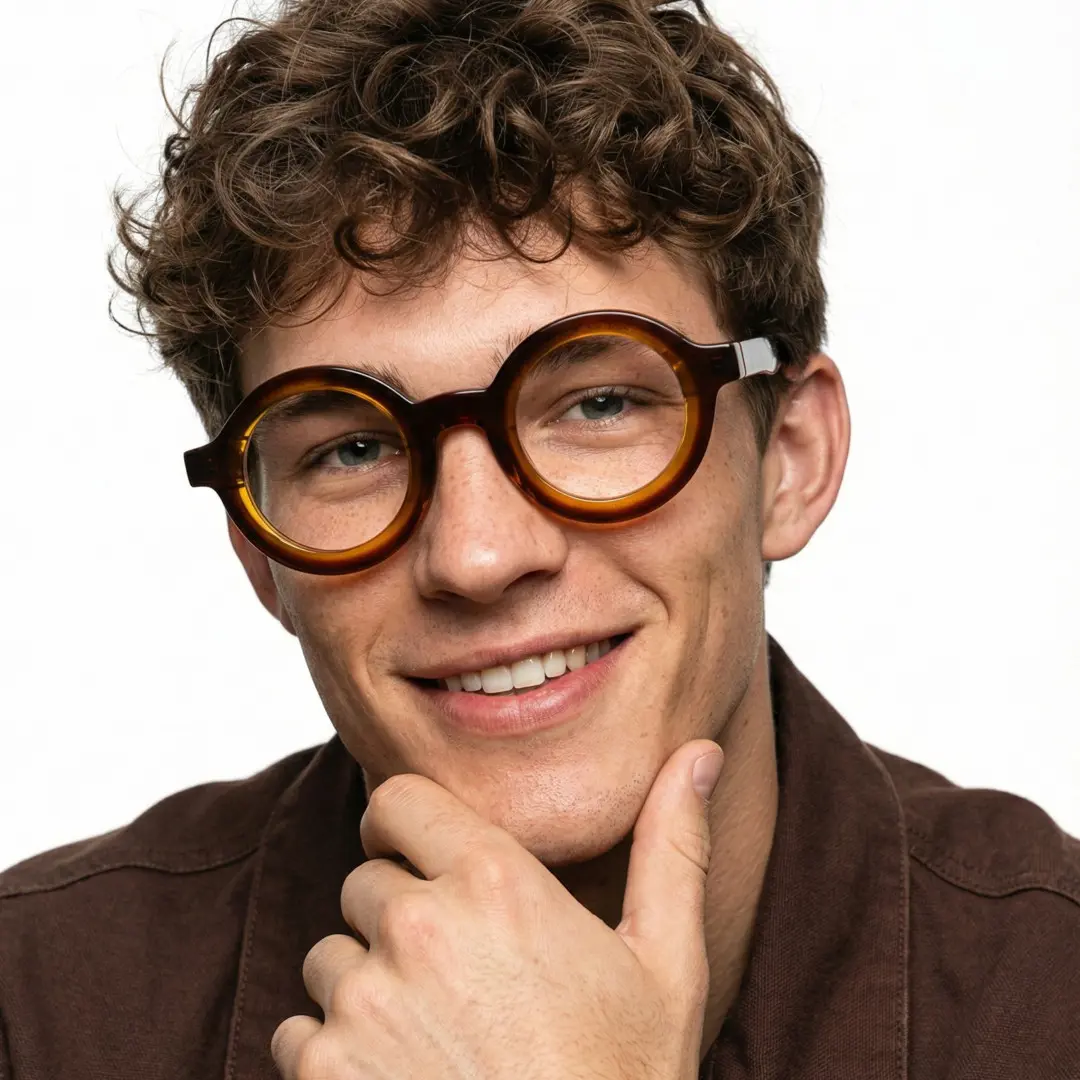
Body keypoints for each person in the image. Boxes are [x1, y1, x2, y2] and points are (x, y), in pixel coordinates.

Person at [1, 0, 1078, 1076]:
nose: (476, 555)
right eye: (352, 452)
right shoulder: (39, 1007)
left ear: (789, 458)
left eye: (599, 405)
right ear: (258, 548)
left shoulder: (1050, 990)